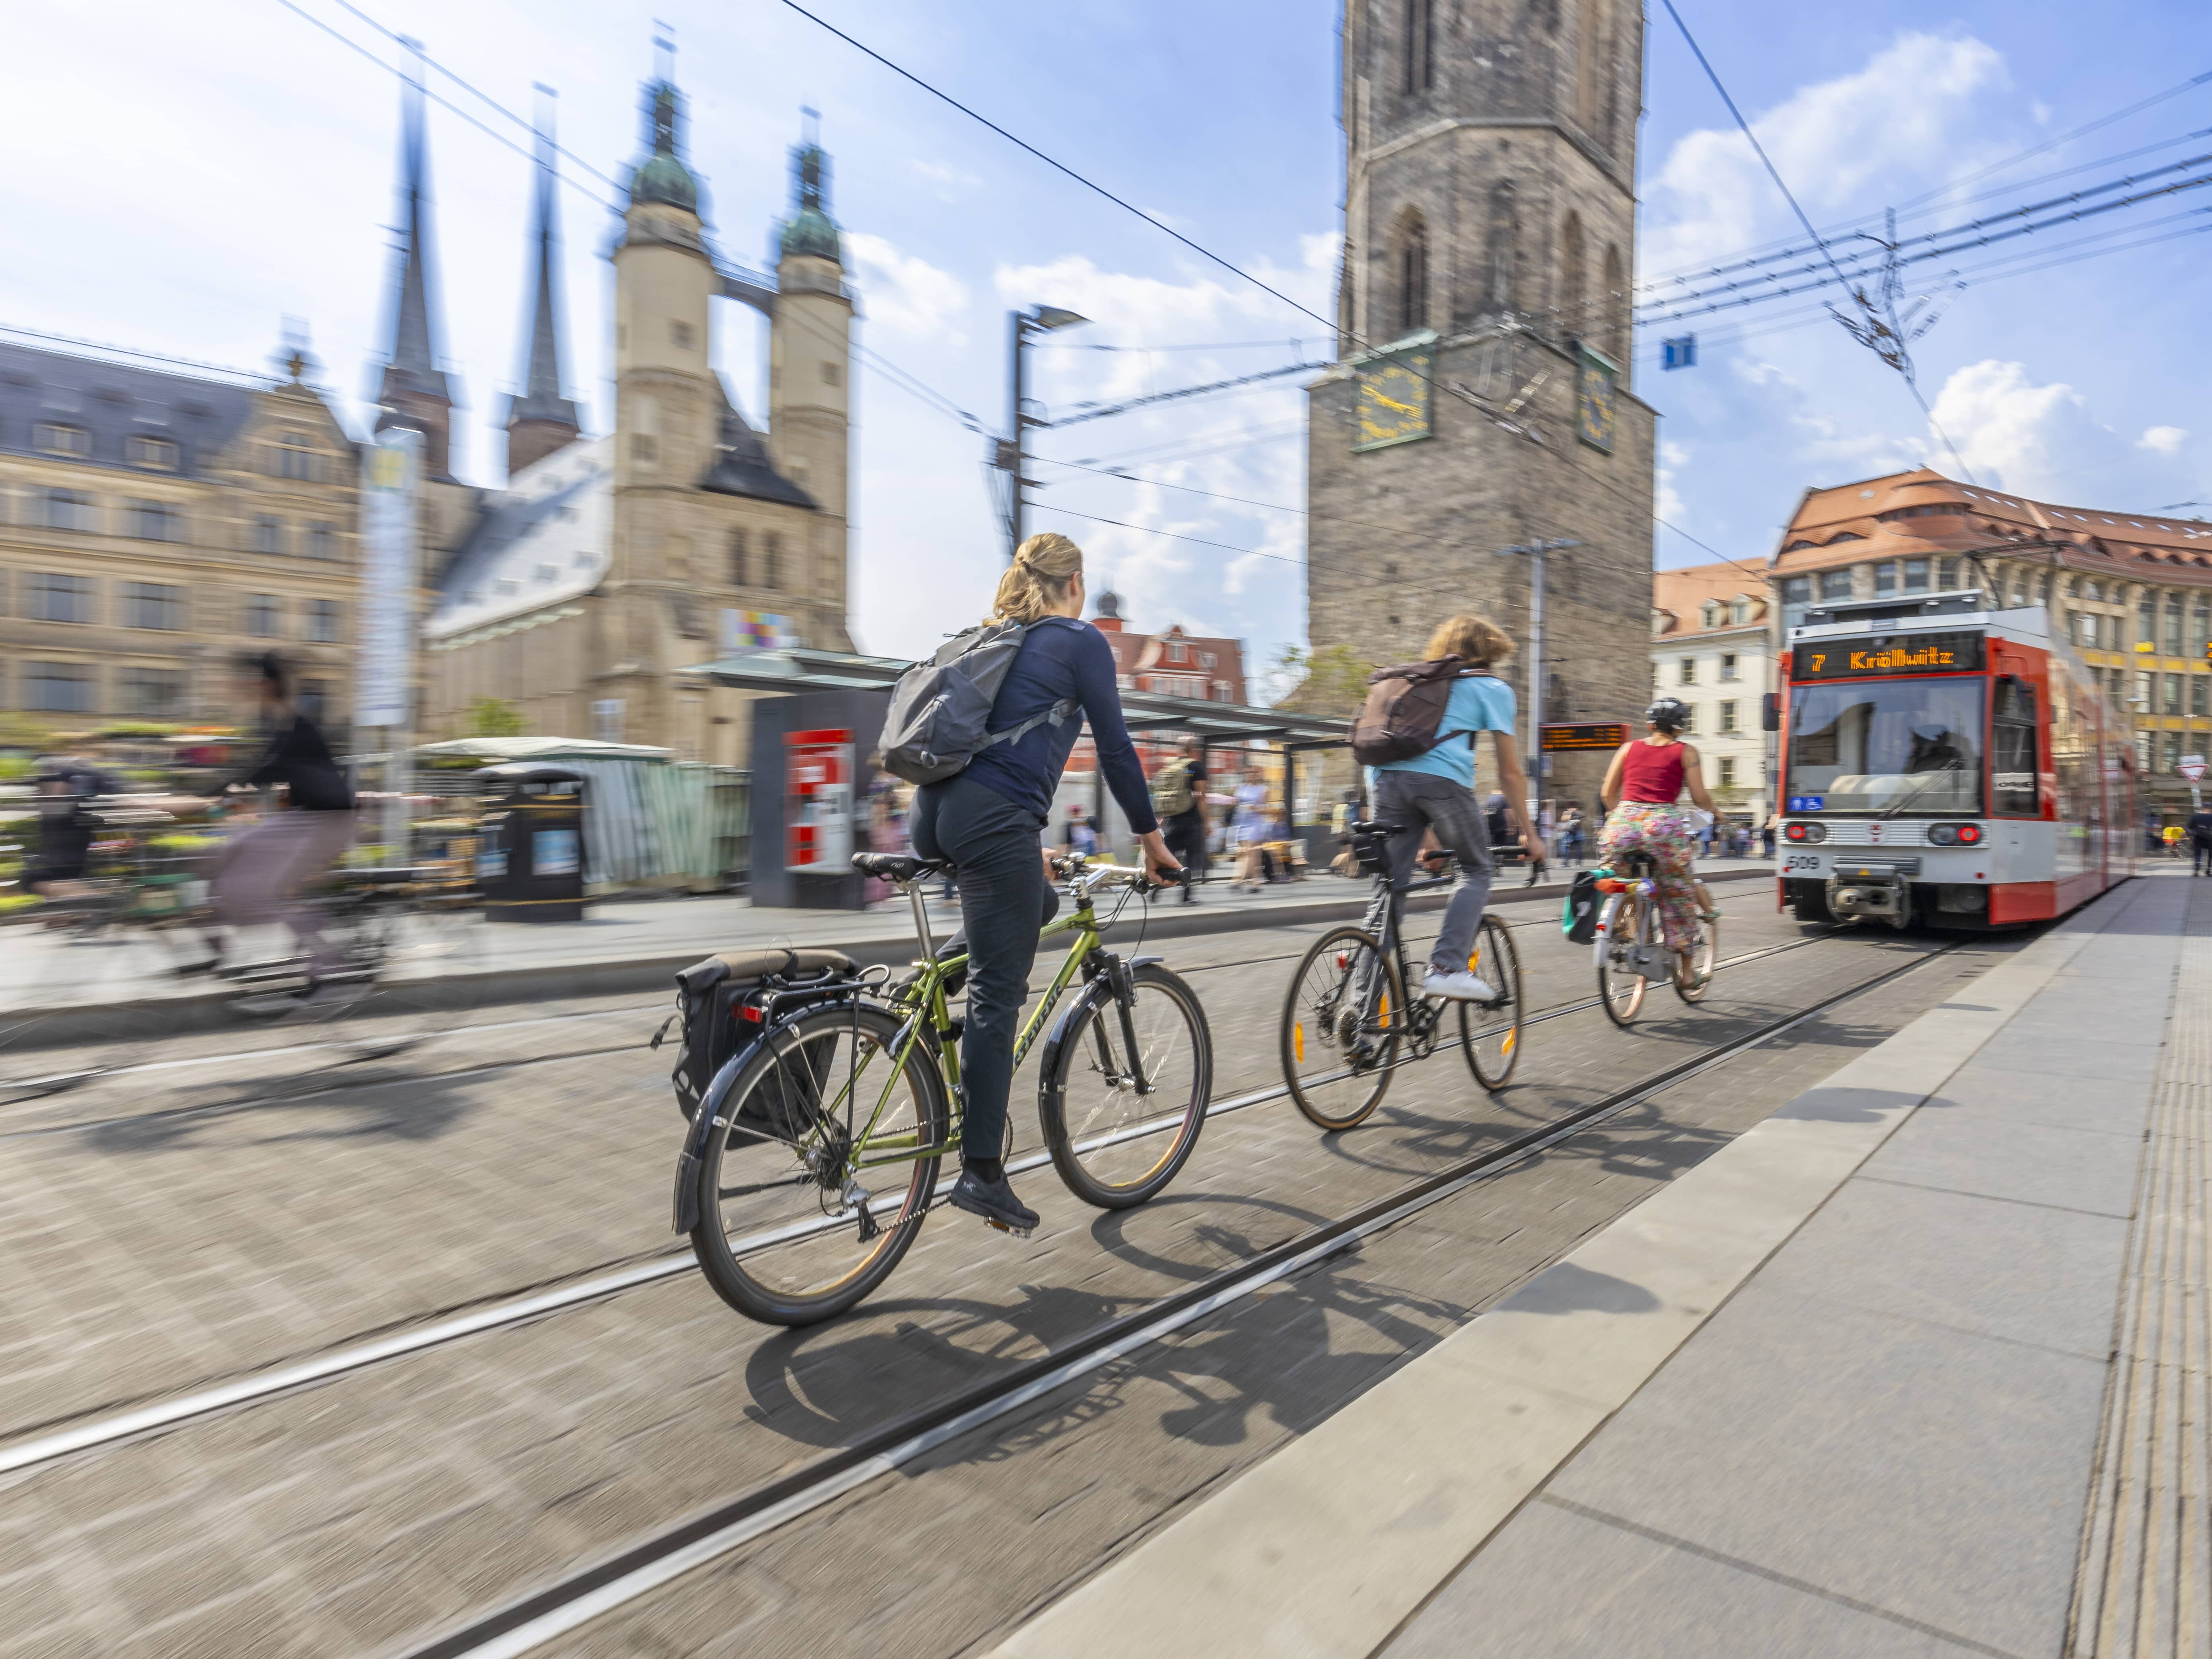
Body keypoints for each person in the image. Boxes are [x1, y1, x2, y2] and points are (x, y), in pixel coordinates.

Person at [909, 533, 1180, 1234]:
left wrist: (1029, 847)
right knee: (1003, 993)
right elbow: (1116, 746)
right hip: (988, 820)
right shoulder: (1079, 640)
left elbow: (992, 756)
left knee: (1038, 903)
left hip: (933, 814)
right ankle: (981, 1174)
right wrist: (1152, 841)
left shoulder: (998, 638)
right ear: (1076, 583)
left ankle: (924, 992)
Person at [1366, 613, 1537, 1001]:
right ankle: (1446, 967)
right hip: (1442, 785)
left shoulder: (1411, 685)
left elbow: (1378, 753)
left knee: (1389, 888)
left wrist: (1424, 833)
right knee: (1476, 868)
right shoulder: (1490, 687)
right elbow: (1509, 772)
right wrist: (1530, 832)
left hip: (1383, 784)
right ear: (1490, 653)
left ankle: (1359, 1012)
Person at [199, 651, 359, 993]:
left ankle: (328, 964)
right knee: (225, 854)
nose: (237, 688)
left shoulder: (294, 725)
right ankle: (220, 955)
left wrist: (203, 797)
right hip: (307, 817)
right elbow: (261, 771)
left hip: (327, 819)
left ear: (266, 685)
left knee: (250, 890)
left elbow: (264, 770)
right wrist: (211, 796)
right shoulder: (278, 723)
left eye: (247, 681)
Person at [1597, 699, 1719, 976]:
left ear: (1649, 724)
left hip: (1622, 823)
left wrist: (1622, 818)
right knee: (1677, 893)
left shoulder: (1627, 748)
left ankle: (1625, 931)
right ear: (1680, 728)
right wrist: (1716, 811)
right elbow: (1700, 798)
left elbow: (1606, 794)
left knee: (1620, 882)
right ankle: (1688, 971)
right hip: (1662, 826)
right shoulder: (1686, 752)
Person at [1153, 736, 1208, 903]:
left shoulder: (1171, 766)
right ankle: (1187, 896)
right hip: (1191, 821)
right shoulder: (1195, 767)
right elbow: (1201, 797)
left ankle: (1158, 887)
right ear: (1196, 750)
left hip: (1172, 821)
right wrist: (1207, 822)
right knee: (1192, 859)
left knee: (1170, 859)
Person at [2188, 804, 2212, 876]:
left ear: (2202, 809)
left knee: (2198, 853)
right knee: (2210, 855)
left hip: (2198, 837)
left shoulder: (2195, 817)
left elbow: (2190, 828)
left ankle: (2197, 869)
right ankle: (2208, 871)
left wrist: (2191, 836)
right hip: (2210, 838)